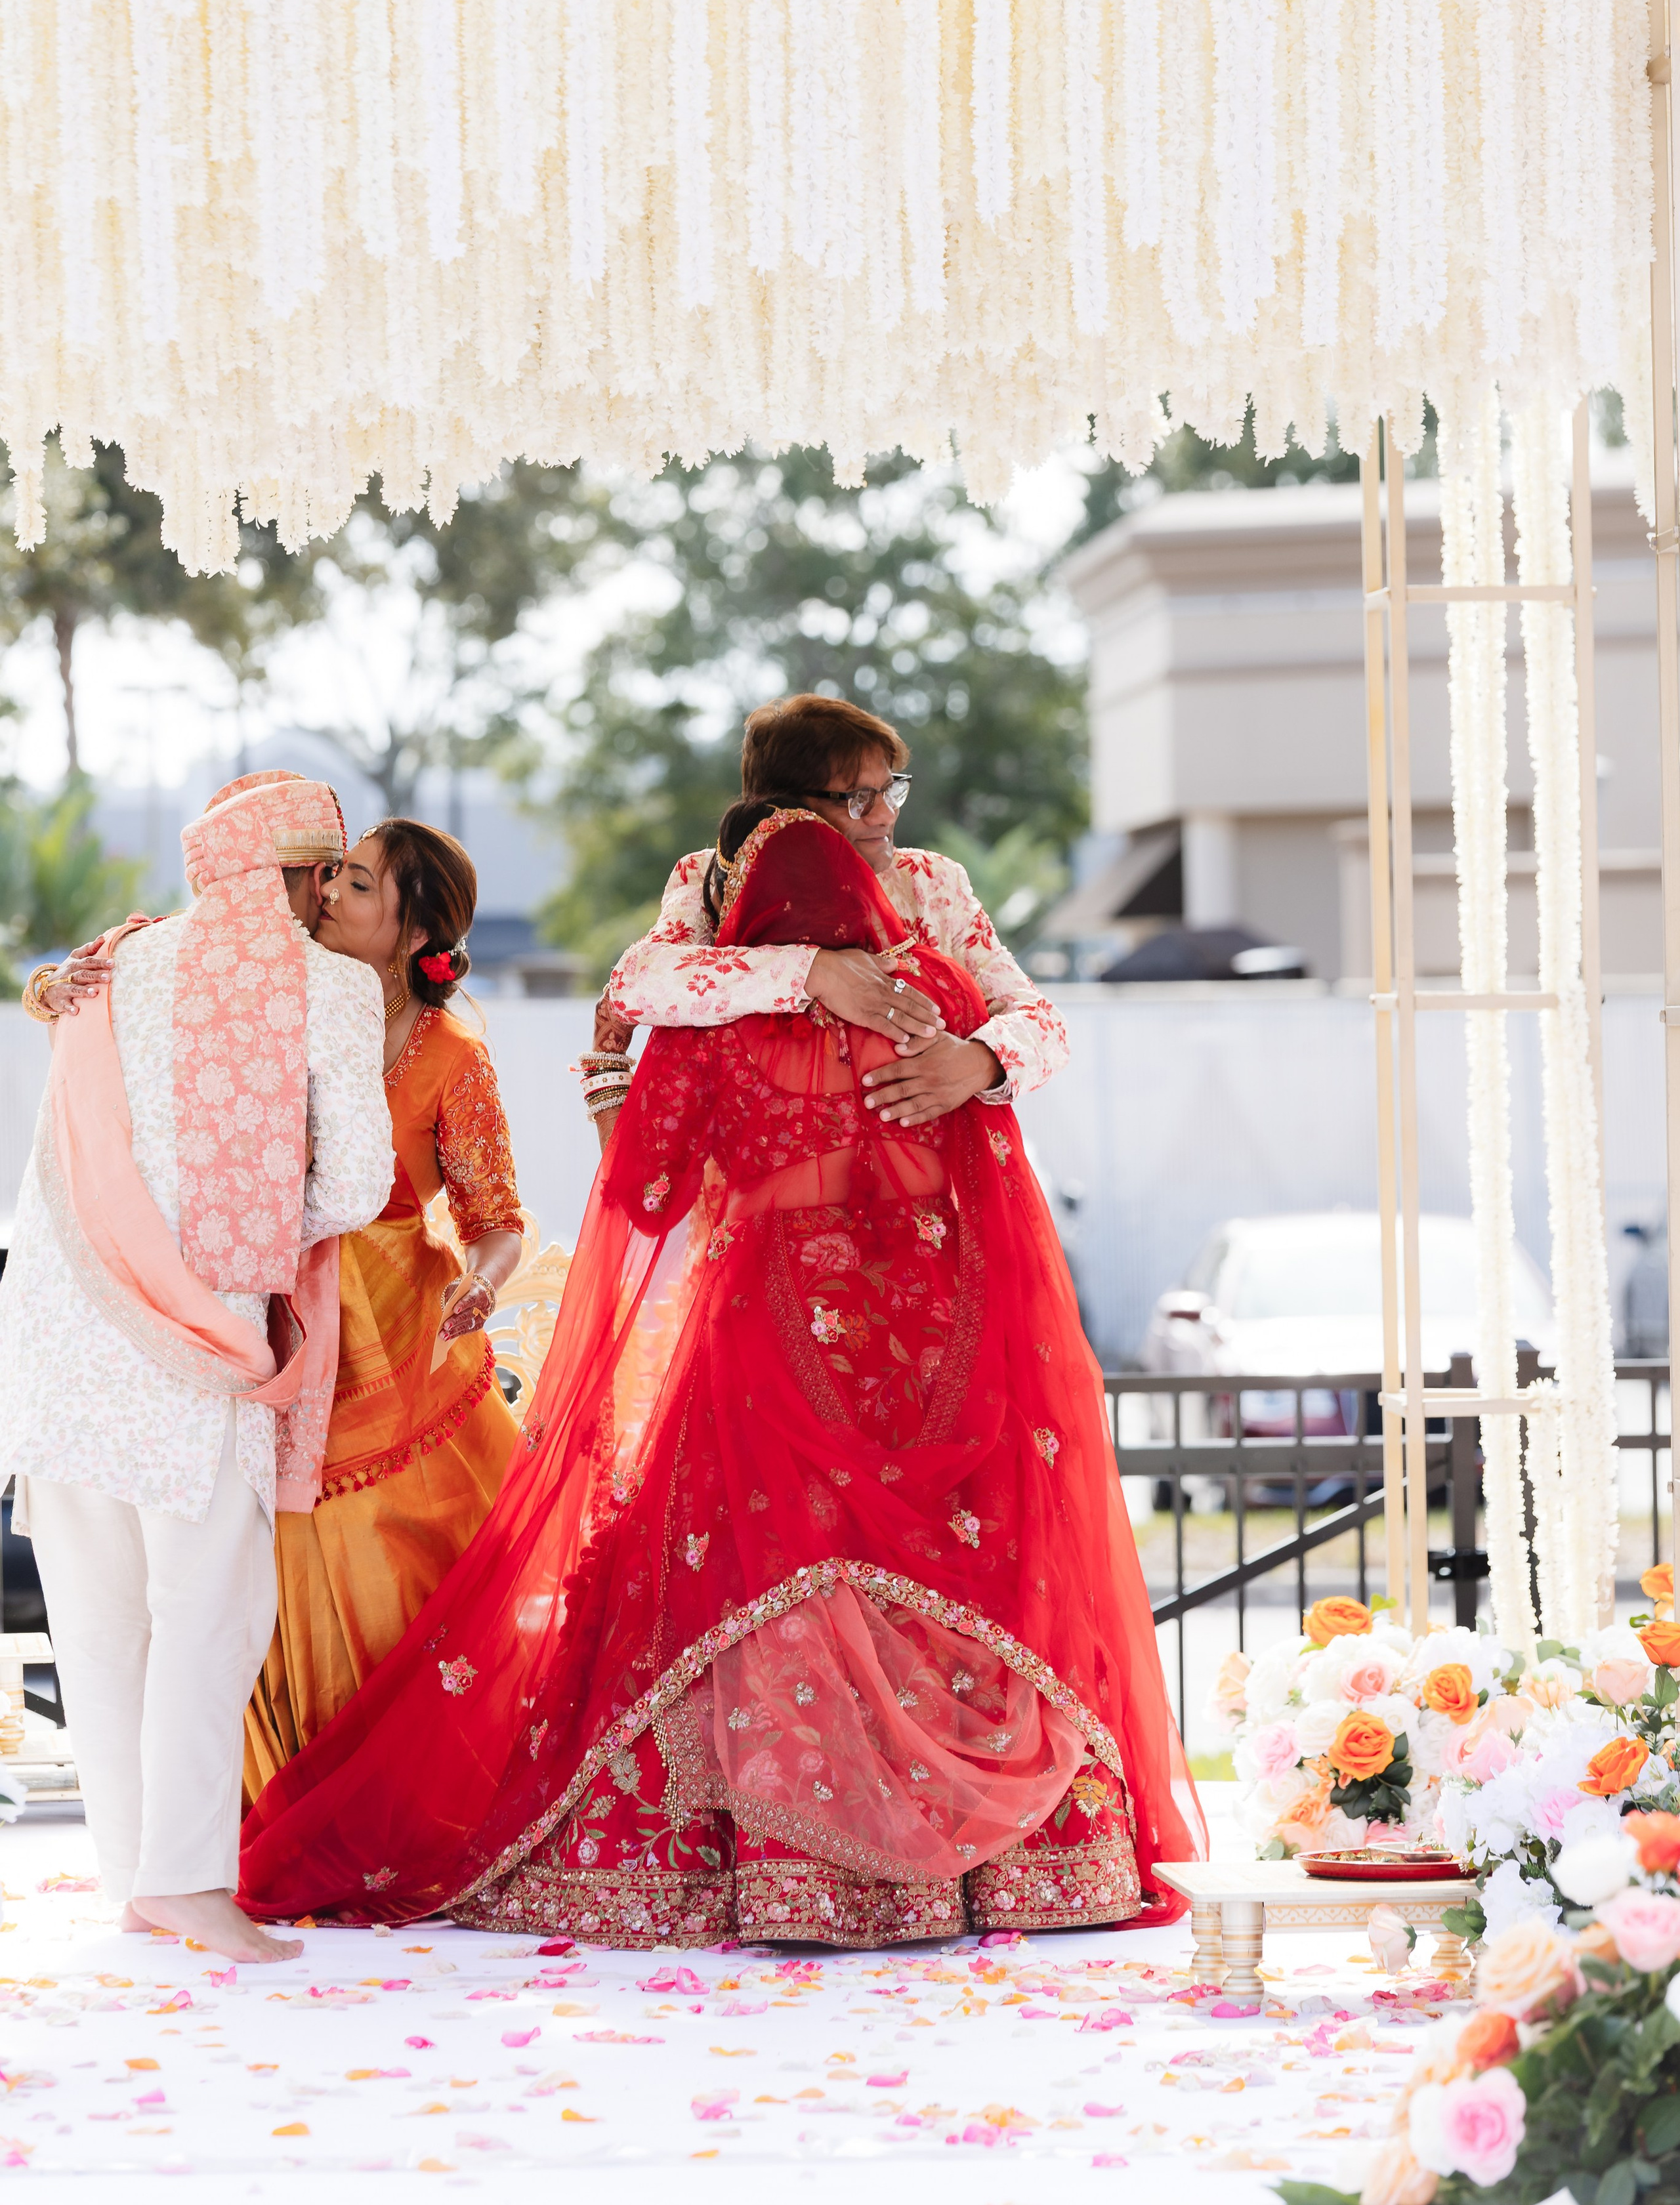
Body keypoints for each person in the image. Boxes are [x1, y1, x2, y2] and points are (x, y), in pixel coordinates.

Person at [240, 806, 1204, 1946]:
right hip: (910, 1351)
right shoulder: (935, 1008)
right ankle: (1013, 1871)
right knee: (938, 1590)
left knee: (765, 1579)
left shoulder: (722, 1030)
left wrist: (620, 1111)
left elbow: (655, 1199)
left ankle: (793, 1872)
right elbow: (982, 1184)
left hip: (766, 1344)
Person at [0, 773, 392, 1964]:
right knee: (213, 1612)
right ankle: (184, 1881)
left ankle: (137, 1875)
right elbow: (360, 1186)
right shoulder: (325, 984)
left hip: (63, 1330)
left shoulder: (105, 965)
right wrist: (271, 1229)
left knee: (101, 1616)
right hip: (195, 1336)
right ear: (310, 876)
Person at [240, 819, 526, 1793]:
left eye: (357, 885)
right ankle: (296, 1802)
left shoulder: (451, 1054)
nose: (325, 894)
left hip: (405, 1337)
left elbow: (498, 1217)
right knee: (272, 1564)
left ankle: (409, 1804)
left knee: (390, 1569)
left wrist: (483, 1282)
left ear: (413, 932)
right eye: (336, 876)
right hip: (278, 1319)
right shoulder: (279, 1003)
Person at [584, 693, 1068, 1137]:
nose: (884, 816)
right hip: (772, 1201)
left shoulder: (929, 881)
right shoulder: (719, 878)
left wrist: (979, 1062)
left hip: (936, 1200)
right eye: (858, 798)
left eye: (890, 790)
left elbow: (1043, 1022)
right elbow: (637, 981)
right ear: (786, 809)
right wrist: (813, 971)